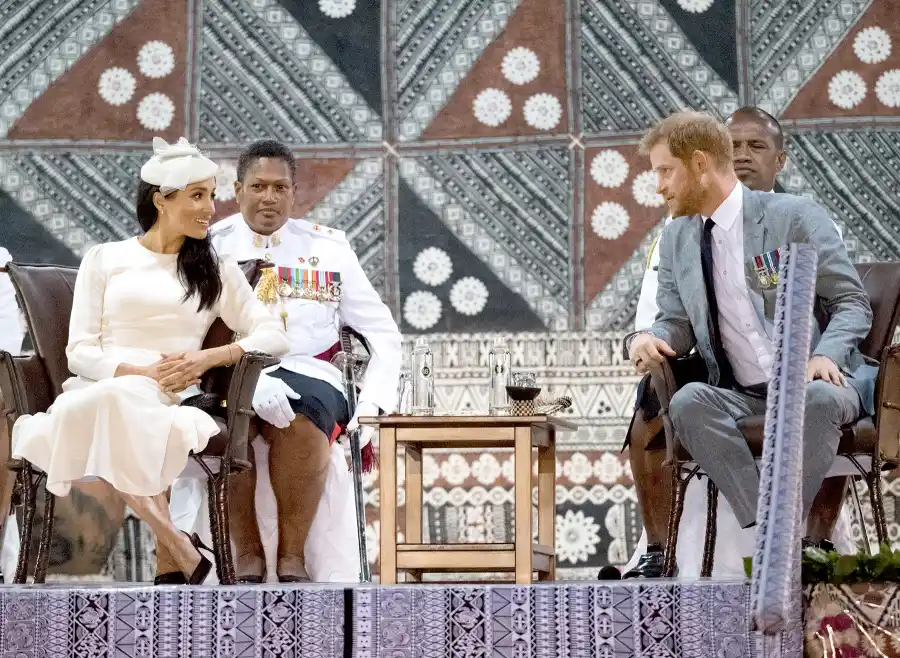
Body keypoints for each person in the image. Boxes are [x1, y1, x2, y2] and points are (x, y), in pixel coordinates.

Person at [9, 137, 289, 585]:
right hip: (106, 384)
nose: (210, 208)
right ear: (161, 199)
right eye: (197, 196)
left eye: (211, 196)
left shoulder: (214, 267)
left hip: (169, 395)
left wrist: (206, 358)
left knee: (105, 412)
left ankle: (177, 551)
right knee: (110, 401)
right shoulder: (107, 258)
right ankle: (177, 543)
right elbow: (79, 351)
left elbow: (274, 336)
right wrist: (135, 372)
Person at [626, 111, 874, 573]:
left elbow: (852, 303)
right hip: (741, 394)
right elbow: (675, 323)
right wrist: (649, 338)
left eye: (665, 171)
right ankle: (771, 532)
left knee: (818, 398)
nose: (658, 185)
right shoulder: (678, 237)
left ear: (699, 164)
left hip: (816, 382)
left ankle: (774, 542)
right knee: (688, 402)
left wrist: (825, 355)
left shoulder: (794, 216)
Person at [169, 139, 401, 583]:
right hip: (230, 370)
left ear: (295, 192)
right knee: (229, 420)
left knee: (301, 420)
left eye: (280, 187)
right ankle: (248, 551)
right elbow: (186, 332)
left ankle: (292, 556)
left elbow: (385, 337)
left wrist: (372, 407)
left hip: (309, 370)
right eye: (258, 186)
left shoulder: (329, 249)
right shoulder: (208, 249)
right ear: (236, 191)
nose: (269, 197)